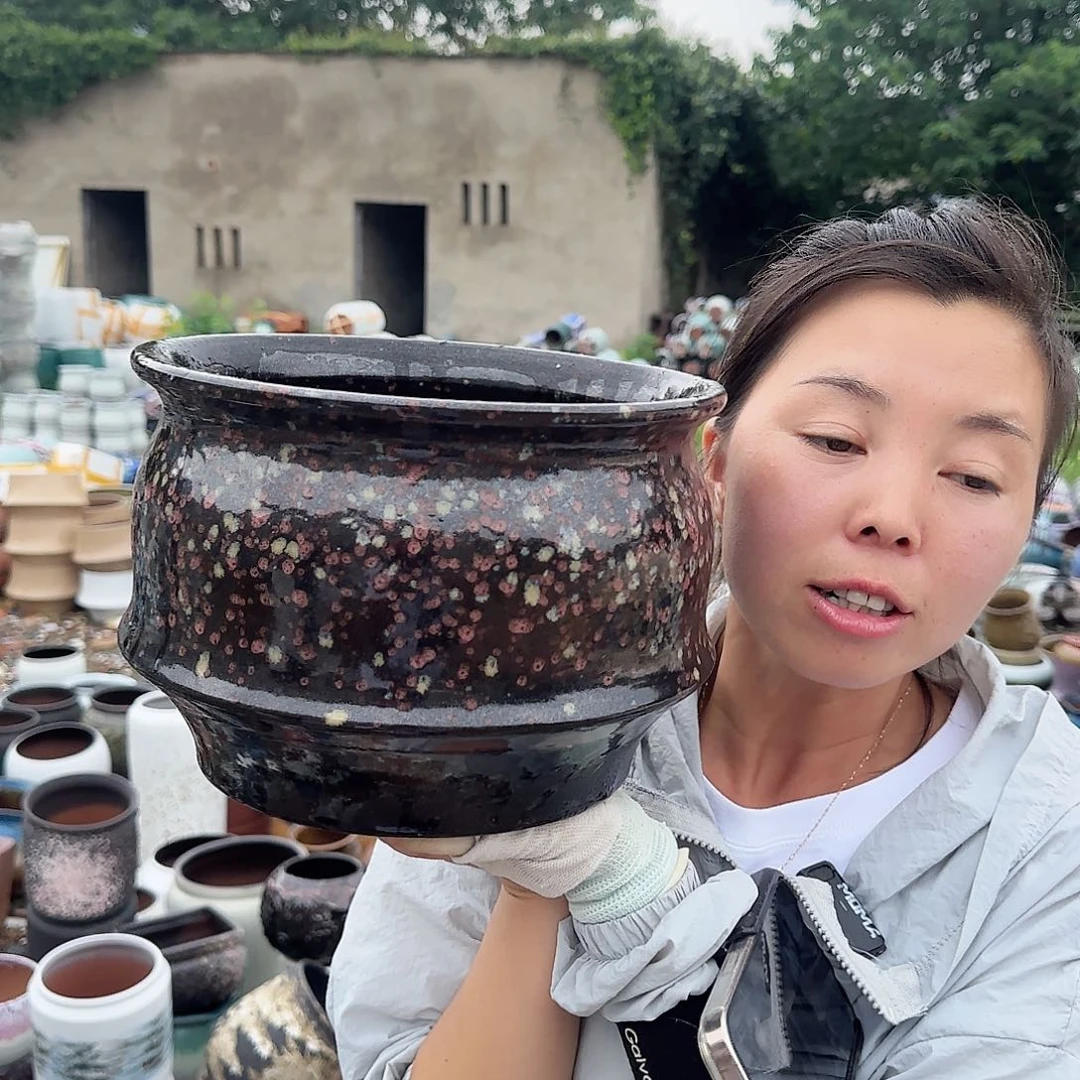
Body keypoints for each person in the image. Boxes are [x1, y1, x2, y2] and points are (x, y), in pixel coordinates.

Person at [328, 199, 1080, 1079]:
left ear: (1031, 518)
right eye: (835, 438)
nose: (891, 518)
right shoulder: (520, 699)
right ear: (712, 458)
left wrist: (622, 888)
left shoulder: (1043, 848)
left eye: (974, 476)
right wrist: (549, 848)